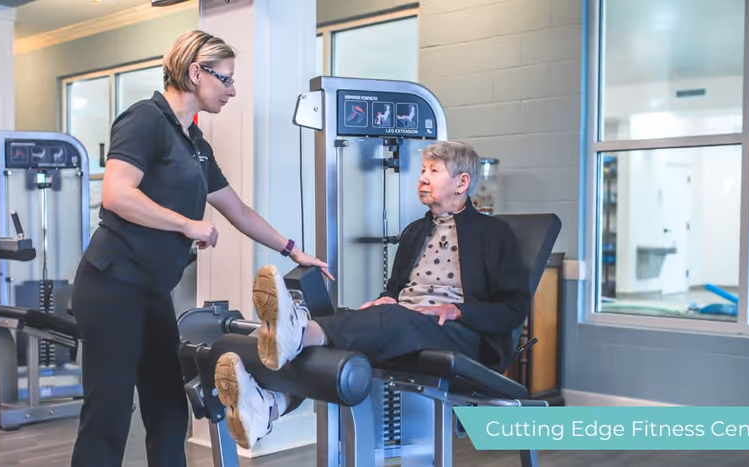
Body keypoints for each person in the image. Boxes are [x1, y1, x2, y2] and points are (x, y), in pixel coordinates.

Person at [69, 30, 331, 467]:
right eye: (226, 79)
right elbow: (116, 194)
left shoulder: (194, 143)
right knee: (109, 414)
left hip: (151, 291)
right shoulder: (144, 120)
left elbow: (238, 210)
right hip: (111, 287)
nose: (232, 90)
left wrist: (292, 249)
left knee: (170, 409)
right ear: (195, 73)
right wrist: (188, 224)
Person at [213, 141, 532, 449]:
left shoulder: (494, 234)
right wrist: (384, 299)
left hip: (462, 335)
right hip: (409, 323)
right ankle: (272, 404)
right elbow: (394, 289)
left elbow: (514, 308)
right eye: (423, 169)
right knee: (343, 319)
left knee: (377, 321)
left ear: (462, 182)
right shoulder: (415, 231)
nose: (422, 178)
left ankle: (297, 333)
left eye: (433, 171)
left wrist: (457, 311)